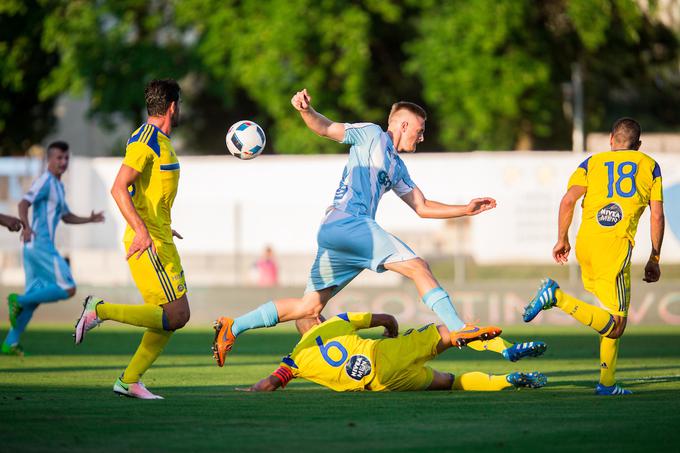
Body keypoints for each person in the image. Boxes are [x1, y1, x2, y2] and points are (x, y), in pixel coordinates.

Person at [212, 88, 543, 367]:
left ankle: (233, 326)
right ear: (402, 124)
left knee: (308, 309)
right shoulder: (370, 133)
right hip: (349, 222)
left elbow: (422, 206)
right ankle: (458, 328)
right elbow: (326, 128)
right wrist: (306, 109)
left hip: (337, 232)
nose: (422, 136)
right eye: (420, 129)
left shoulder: (397, 165)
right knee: (418, 266)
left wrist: (465, 209)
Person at [523, 118, 664, 396]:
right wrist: (655, 258)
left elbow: (567, 200)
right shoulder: (649, 165)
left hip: (585, 244)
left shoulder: (590, 163)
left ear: (611, 139)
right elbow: (657, 214)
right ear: (638, 145)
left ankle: (607, 384)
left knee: (608, 317)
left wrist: (562, 238)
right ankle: (556, 297)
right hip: (615, 247)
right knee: (617, 325)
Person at [74, 79, 189, 400]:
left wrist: (164, 225)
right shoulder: (146, 141)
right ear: (172, 107)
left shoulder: (159, 140)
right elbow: (119, 186)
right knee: (176, 316)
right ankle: (99, 309)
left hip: (161, 237)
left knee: (170, 318)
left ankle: (130, 380)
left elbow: (149, 195)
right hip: (148, 244)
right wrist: (142, 229)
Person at [237, 312, 547, 393]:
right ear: (316, 320)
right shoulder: (333, 323)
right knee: (450, 332)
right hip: (384, 354)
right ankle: (505, 351)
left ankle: (509, 380)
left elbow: (271, 383)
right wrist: (391, 332)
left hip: (383, 384)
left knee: (451, 381)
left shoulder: (295, 359)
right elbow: (386, 319)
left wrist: (250, 389)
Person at [2, 141, 104, 356]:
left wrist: (89, 219)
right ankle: (17, 300)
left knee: (35, 298)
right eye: (59, 158)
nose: (63, 162)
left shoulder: (58, 186)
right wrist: (27, 226)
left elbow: (66, 216)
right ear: (49, 159)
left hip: (32, 247)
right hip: (40, 244)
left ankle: (10, 342)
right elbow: (23, 203)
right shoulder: (45, 182)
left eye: (66, 158)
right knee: (68, 287)